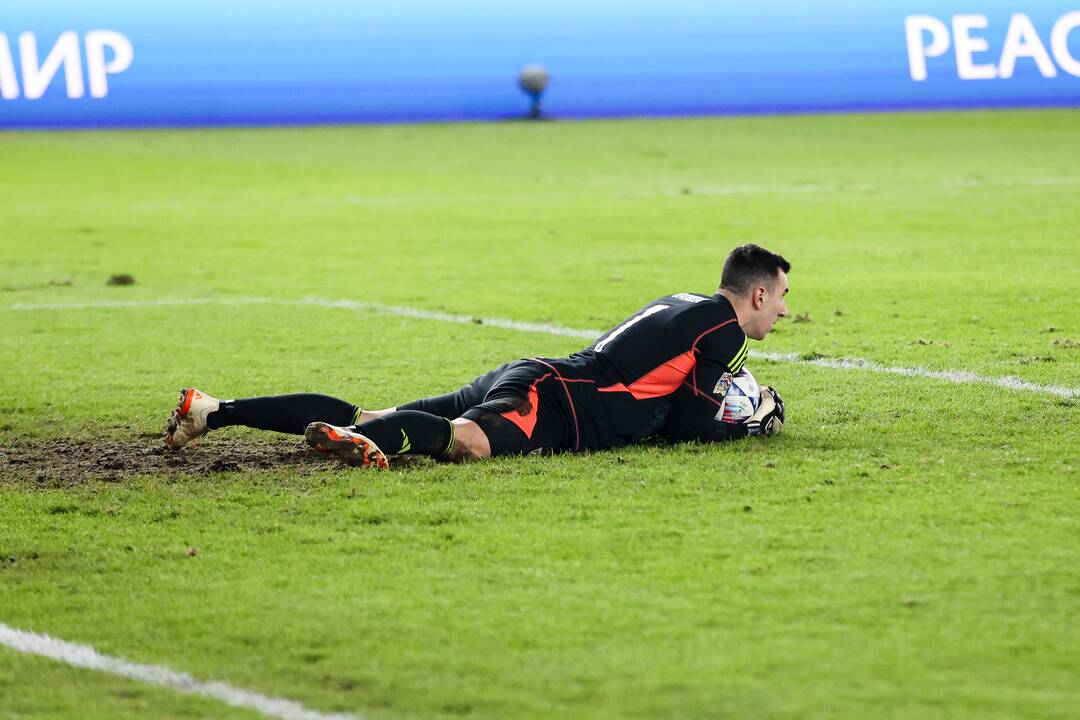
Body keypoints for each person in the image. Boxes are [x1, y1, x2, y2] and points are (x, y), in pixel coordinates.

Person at [165, 244, 790, 468]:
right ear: (757, 293)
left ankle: (214, 410)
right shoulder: (726, 332)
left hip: (538, 374)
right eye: (781, 298)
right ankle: (355, 439)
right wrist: (747, 423)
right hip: (558, 403)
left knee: (374, 415)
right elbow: (686, 425)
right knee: (467, 441)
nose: (783, 312)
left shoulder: (682, 300)